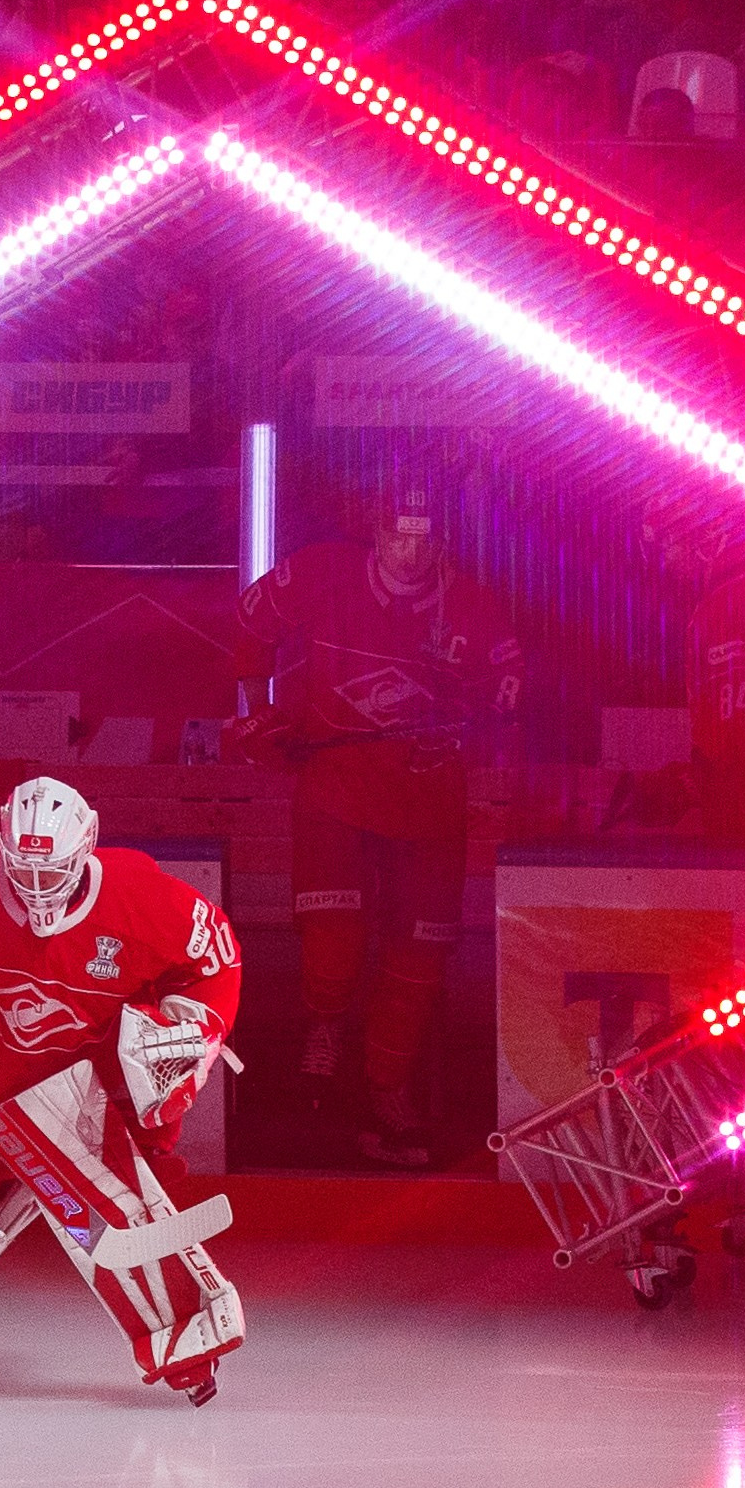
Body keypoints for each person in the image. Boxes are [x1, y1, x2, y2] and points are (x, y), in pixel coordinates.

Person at [0, 774, 246, 1403]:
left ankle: (186, 1346)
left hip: (97, 1092)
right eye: (24, 870)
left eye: (54, 872)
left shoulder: (144, 898)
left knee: (126, 1212)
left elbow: (218, 959)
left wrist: (190, 1029)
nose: (38, 888)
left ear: (88, 843)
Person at [234, 469, 522, 1168]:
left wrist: (474, 719)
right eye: (398, 535)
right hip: (336, 786)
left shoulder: (476, 609)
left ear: (443, 541)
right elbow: (248, 625)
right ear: (378, 532)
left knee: (418, 959)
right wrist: (256, 712)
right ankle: (323, 1033)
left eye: (424, 539)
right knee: (333, 941)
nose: (410, 553)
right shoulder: (321, 573)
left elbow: (512, 697)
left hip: (428, 802)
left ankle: (387, 1089)